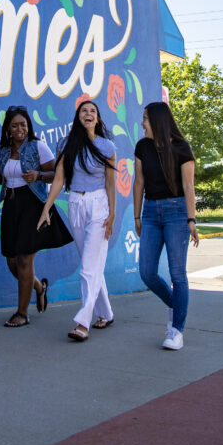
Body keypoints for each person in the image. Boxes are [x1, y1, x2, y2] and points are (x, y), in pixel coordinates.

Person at [0, 105, 72, 327]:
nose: (19, 129)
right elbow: (0, 175)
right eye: (14, 125)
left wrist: (39, 175)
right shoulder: (2, 150)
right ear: (8, 128)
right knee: (12, 261)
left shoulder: (38, 147)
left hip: (32, 204)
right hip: (11, 205)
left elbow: (56, 175)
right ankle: (39, 287)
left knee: (25, 258)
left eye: (23, 124)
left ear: (28, 126)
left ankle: (22, 314)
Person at [37, 99, 116, 341]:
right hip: (76, 204)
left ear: (98, 119)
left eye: (93, 111)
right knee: (91, 264)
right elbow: (59, 179)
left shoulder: (107, 147)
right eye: (84, 111)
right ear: (78, 117)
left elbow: (111, 183)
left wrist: (112, 214)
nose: (88, 113)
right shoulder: (66, 144)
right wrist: (46, 208)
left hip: (99, 205)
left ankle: (83, 321)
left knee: (88, 269)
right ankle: (106, 313)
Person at [132, 101, 199, 351]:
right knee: (147, 272)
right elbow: (138, 182)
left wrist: (191, 220)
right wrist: (137, 217)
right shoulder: (142, 147)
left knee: (177, 274)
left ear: (158, 121)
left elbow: (188, 187)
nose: (142, 123)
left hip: (176, 212)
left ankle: (177, 330)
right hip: (150, 212)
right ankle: (175, 305)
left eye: (146, 118)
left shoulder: (182, 148)